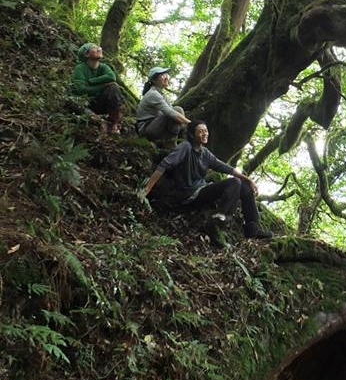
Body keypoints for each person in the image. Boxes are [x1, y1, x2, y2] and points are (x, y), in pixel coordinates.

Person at [142, 119, 272, 245]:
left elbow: (226, 168)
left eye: (206, 131)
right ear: (192, 135)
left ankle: (252, 227)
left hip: (202, 190)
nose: (205, 134)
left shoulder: (205, 153)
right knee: (234, 183)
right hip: (188, 195)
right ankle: (218, 220)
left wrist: (249, 180)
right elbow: (164, 164)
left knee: (244, 185)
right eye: (200, 131)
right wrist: (148, 188)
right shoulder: (185, 147)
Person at [70, 42, 123, 133]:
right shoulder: (80, 68)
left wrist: (91, 81)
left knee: (114, 88)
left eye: (98, 47)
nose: (99, 49)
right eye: (94, 48)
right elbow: (81, 90)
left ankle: (113, 123)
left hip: (101, 102)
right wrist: (103, 86)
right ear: (86, 54)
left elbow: (111, 77)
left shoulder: (104, 67)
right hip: (87, 104)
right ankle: (98, 122)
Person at [136, 67, 191, 142]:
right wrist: (192, 124)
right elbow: (171, 113)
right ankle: (170, 142)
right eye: (162, 76)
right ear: (154, 80)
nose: (166, 78)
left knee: (178, 110)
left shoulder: (161, 94)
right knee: (177, 110)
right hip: (147, 128)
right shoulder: (153, 94)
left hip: (155, 126)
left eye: (166, 75)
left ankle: (170, 141)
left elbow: (172, 111)